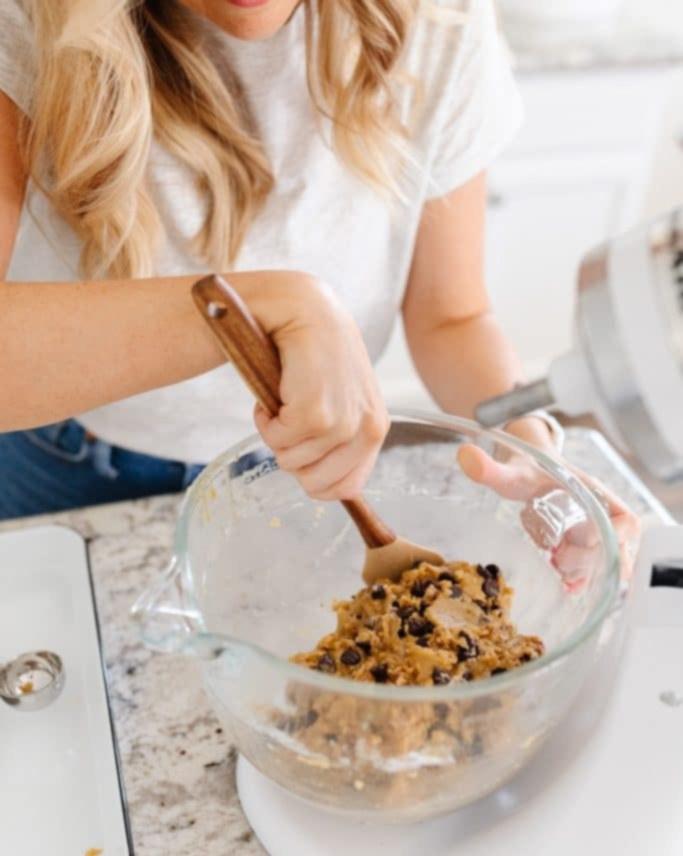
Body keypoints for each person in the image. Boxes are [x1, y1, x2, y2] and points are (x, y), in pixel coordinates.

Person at [0, 0, 637, 578]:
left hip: (311, 478)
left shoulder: (442, 22)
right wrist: (270, 307)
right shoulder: (30, 22)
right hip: (73, 469)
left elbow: (453, 316)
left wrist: (527, 448)